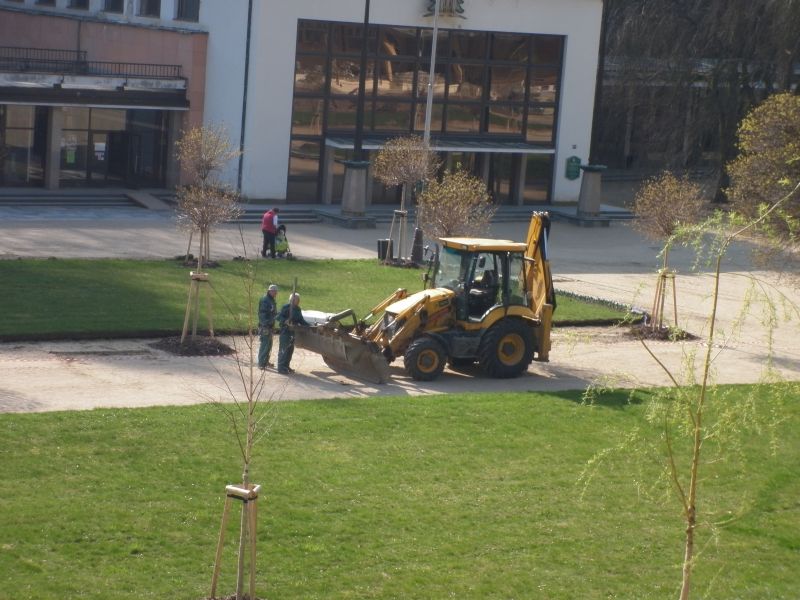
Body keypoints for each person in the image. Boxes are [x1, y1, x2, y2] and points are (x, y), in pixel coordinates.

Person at [277, 292, 310, 374]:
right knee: (284, 349)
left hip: (292, 332)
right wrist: (285, 321)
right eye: (297, 300)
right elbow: (278, 317)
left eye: (299, 300)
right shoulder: (286, 307)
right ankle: (281, 367)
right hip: (285, 331)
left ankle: (286, 366)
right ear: (292, 300)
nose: (298, 301)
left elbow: (301, 320)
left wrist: (309, 326)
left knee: (290, 350)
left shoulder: (298, 309)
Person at [257, 283, 279, 369]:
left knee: (269, 345)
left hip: (270, 325)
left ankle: (265, 361)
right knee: (265, 344)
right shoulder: (265, 300)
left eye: (276, 291)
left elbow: (272, 312)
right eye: (274, 291)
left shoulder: (271, 300)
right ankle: (261, 363)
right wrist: (266, 323)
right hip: (265, 326)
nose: (276, 293)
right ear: (269, 291)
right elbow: (262, 314)